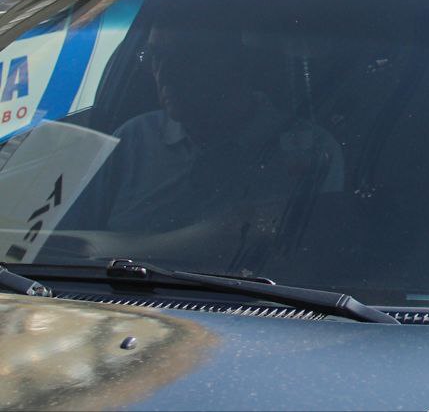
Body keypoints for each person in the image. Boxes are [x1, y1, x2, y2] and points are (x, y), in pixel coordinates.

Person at [65, 20, 343, 261]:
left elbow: (310, 260)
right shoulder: (133, 139)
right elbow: (67, 245)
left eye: (186, 57)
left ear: (238, 64)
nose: (166, 73)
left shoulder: (307, 151)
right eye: (156, 57)